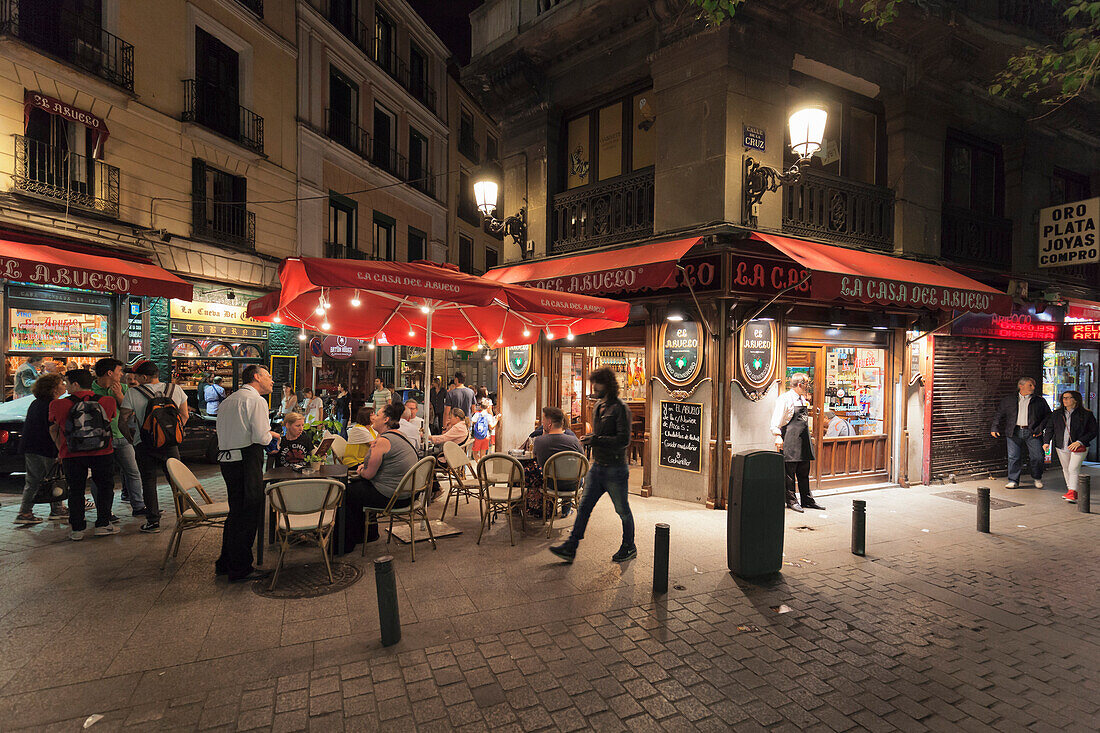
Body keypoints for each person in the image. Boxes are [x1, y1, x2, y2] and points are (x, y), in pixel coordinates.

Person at [550, 367, 636, 564]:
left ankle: (629, 545)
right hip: (598, 468)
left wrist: (596, 440)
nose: (594, 387)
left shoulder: (620, 408)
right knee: (585, 507)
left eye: (597, 383)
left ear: (607, 384)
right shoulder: (598, 406)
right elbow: (601, 436)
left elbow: (623, 440)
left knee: (622, 510)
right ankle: (571, 547)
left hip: (615, 469)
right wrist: (591, 439)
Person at [215, 365, 281, 583]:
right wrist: (272, 434)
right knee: (248, 512)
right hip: (246, 459)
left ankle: (226, 562)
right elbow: (261, 436)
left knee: (236, 512)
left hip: (228, 460)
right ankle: (241, 568)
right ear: (256, 377)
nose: (272, 380)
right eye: (268, 376)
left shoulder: (228, 401)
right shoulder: (256, 401)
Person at [120, 361, 189, 533]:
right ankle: (186, 515)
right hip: (170, 444)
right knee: (177, 481)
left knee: (149, 481)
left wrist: (131, 438)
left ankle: (153, 521)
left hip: (144, 444)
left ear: (144, 377)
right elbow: (184, 415)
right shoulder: (176, 389)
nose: (134, 379)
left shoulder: (133, 393)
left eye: (136, 376)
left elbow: (123, 419)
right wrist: (171, 434)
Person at [49, 368, 118, 540]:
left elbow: (53, 428)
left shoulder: (57, 404)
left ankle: (77, 529)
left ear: (75, 384)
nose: (65, 386)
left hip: (72, 453)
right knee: (104, 487)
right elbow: (109, 420)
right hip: (103, 451)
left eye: (67, 382)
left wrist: (60, 448)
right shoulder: (108, 401)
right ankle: (103, 524)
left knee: (75, 490)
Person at [342, 402, 419, 550]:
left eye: (377, 414)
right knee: (357, 489)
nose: (374, 418)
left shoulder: (382, 441)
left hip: (394, 497)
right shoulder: (400, 435)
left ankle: (346, 543)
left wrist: (361, 471)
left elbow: (369, 474)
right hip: (409, 494)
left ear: (385, 419)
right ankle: (368, 533)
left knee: (346, 492)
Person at [89, 357, 145, 517]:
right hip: (101, 440)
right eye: (119, 371)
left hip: (123, 437)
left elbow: (131, 411)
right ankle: (104, 511)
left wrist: (119, 394)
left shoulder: (124, 388)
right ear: (109, 372)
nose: (121, 374)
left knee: (133, 472)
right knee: (100, 477)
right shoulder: (91, 391)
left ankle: (139, 506)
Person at [14, 373, 68, 525]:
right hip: (47, 447)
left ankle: (25, 512)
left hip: (31, 447)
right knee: (56, 478)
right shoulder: (53, 404)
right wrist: (60, 449)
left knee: (33, 480)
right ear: (53, 389)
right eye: (61, 383)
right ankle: (57, 509)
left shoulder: (35, 403)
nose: (64, 385)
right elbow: (53, 429)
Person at [769, 373, 824, 512]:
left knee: (804, 472)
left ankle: (807, 499)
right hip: (790, 440)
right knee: (789, 473)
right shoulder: (785, 399)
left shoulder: (803, 399)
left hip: (803, 440)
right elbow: (776, 421)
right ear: (799, 385)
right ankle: (792, 501)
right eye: (807, 384)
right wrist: (777, 436)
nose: (808, 387)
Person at [991, 376, 1051, 489]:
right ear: (1021, 386)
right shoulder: (1009, 400)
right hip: (1013, 431)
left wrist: (1040, 428)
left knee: (1037, 456)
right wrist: (994, 427)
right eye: (1030, 385)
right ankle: (1013, 480)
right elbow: (999, 414)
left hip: (1032, 432)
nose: (1033, 387)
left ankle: (1037, 477)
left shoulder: (1039, 401)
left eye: (1034, 385)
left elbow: (1048, 415)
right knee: (1013, 457)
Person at [1043, 390, 1097, 503]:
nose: (1065, 400)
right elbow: (1050, 428)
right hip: (1061, 446)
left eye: (1068, 398)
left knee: (1073, 468)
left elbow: (1093, 431)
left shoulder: (1086, 414)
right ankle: (1071, 491)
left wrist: (1080, 441)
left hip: (1078, 446)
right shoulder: (1057, 414)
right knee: (1066, 468)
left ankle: (1072, 491)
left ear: (1076, 400)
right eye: (1063, 398)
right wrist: (1046, 441)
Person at [532, 406, 584, 517]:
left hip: (551, 484)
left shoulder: (539, 441)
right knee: (575, 473)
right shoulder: (574, 440)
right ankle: (566, 511)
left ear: (549, 423)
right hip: (573, 484)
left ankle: (546, 510)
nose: (542, 422)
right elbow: (582, 462)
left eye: (543, 419)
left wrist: (544, 435)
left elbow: (538, 462)